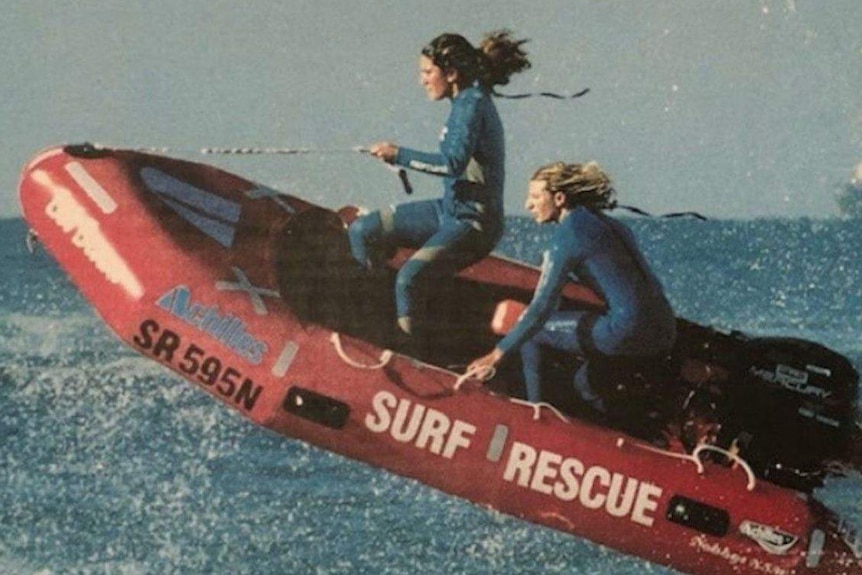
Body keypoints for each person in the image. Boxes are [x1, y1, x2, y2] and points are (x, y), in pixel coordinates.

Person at [348, 30, 531, 335]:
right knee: (363, 230)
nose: (422, 80)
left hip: (473, 224)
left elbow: (451, 164)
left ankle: (404, 348)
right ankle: (375, 316)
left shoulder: (472, 104)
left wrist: (399, 155)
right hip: (448, 210)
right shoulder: (464, 100)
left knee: (409, 280)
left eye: (427, 72)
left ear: (451, 73)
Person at [467, 161, 677, 411]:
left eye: (535, 196)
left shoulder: (568, 237)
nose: (528, 204)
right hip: (664, 327)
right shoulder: (611, 225)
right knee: (584, 383)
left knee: (528, 327)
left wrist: (495, 356)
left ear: (558, 198)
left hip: (625, 331)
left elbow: (540, 310)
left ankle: (535, 416)